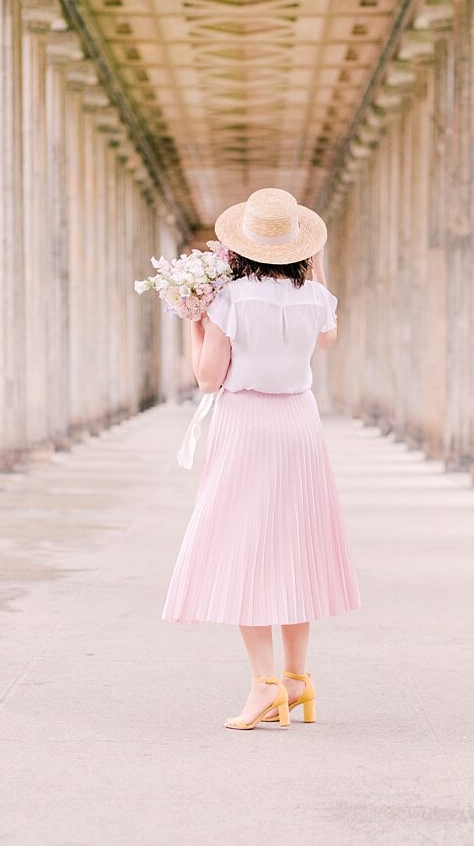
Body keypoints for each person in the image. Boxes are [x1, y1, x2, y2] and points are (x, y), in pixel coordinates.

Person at [161, 188, 360, 730]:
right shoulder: (317, 298)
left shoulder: (231, 300)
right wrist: (314, 276)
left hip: (247, 425)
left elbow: (206, 377)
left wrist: (193, 317)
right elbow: (327, 339)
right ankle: (298, 679)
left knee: (247, 547)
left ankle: (264, 686)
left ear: (241, 246)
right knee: (296, 545)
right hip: (300, 424)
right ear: (300, 248)